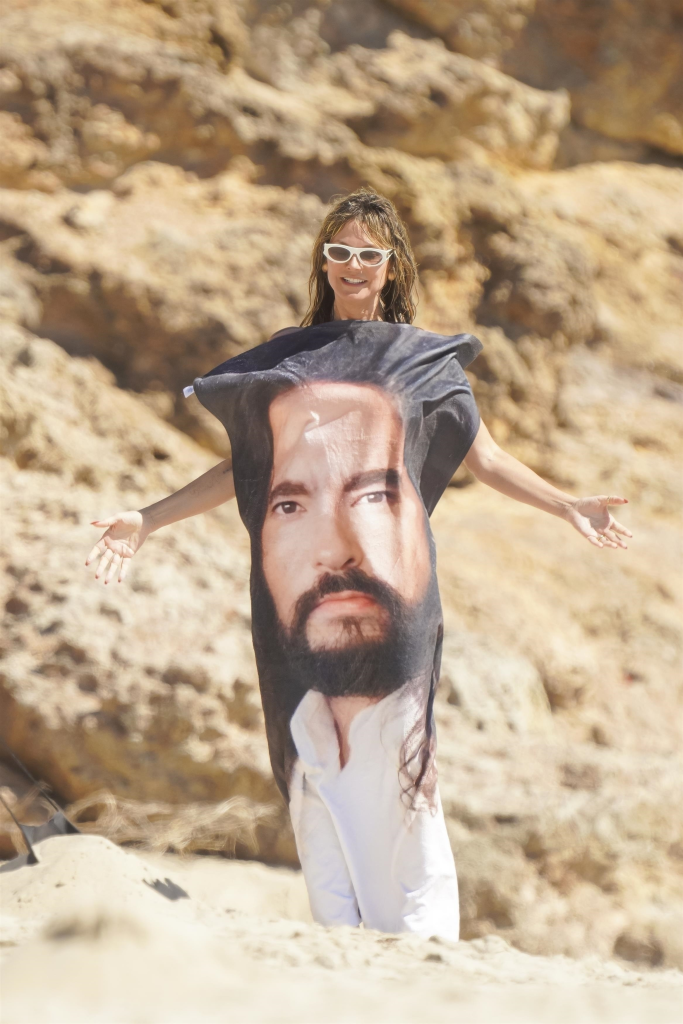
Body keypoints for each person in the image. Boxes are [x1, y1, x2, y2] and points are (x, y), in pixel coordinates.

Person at [86, 187, 631, 940]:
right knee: (313, 765)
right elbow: (245, 471)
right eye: (337, 251)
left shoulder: (418, 363)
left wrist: (565, 502)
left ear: (392, 265)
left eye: (367, 254)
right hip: (296, 592)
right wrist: (146, 520)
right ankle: (342, 940)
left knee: (403, 755)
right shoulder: (286, 360)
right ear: (322, 261)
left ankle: (422, 940)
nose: (351, 266)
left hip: (392, 590)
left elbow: (485, 454)